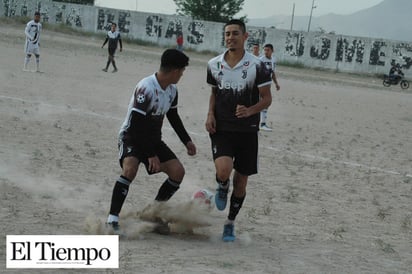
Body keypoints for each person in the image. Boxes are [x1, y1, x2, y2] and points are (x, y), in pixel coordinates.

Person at [106, 49, 196, 233]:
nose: (182, 75)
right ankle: (112, 220)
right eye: (182, 71)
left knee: (178, 172)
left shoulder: (172, 90)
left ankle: (153, 213)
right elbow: (137, 126)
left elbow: (173, 116)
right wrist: (150, 155)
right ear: (174, 70)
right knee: (130, 169)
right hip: (131, 136)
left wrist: (186, 141)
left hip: (153, 140)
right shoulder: (146, 88)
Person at [205, 19, 272, 242]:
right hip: (222, 127)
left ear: (245, 36)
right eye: (227, 34)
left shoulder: (258, 66)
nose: (230, 37)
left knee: (241, 182)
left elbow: (267, 99)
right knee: (224, 170)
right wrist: (210, 114)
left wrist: (250, 110)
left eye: (235, 33)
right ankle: (221, 185)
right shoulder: (213, 64)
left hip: (248, 131)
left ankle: (230, 223)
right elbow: (214, 93)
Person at [259, 43, 281, 131]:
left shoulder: (273, 60)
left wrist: (276, 83)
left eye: (268, 50)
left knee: (265, 103)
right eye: (265, 50)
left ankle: (262, 123)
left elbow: (272, 72)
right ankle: (262, 123)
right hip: (260, 85)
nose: (266, 52)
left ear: (272, 51)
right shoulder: (260, 60)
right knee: (263, 103)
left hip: (268, 85)